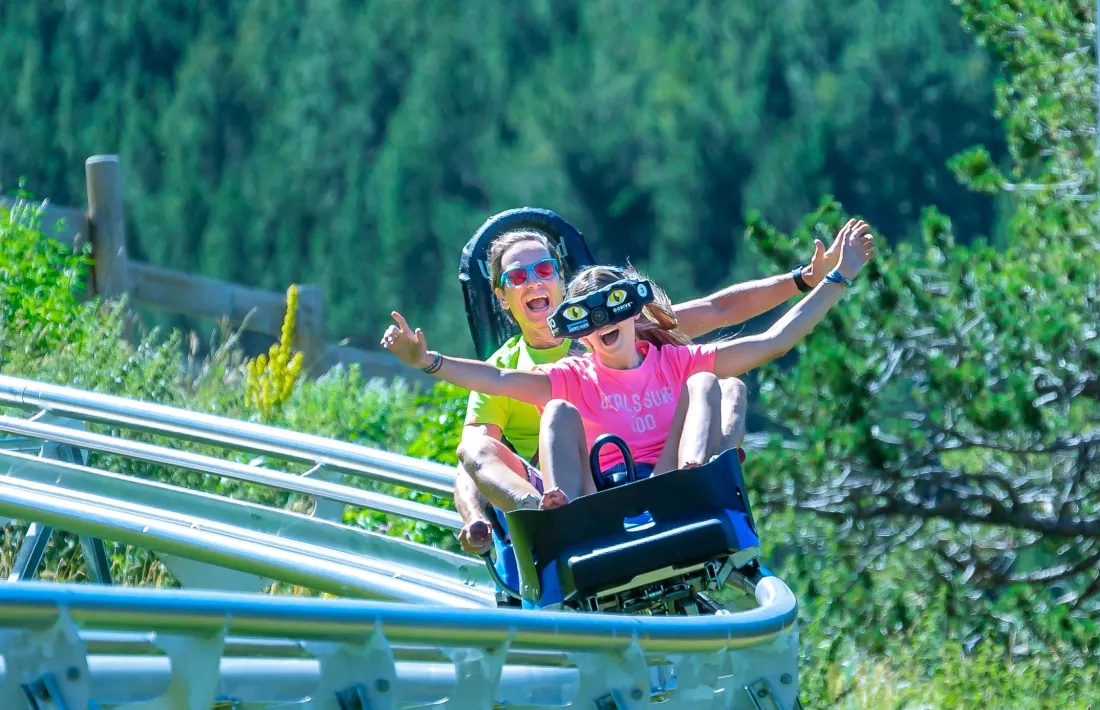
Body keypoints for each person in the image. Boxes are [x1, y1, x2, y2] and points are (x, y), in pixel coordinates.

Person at [382, 220, 876, 539]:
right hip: (597, 487)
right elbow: (494, 385)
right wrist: (426, 360)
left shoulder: (667, 355)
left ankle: (702, 479)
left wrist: (827, 279)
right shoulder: (568, 373)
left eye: (544, 269)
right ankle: (564, 521)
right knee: (555, 411)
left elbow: (762, 334)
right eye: (518, 276)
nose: (534, 281)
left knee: (715, 383)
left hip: (666, 474)